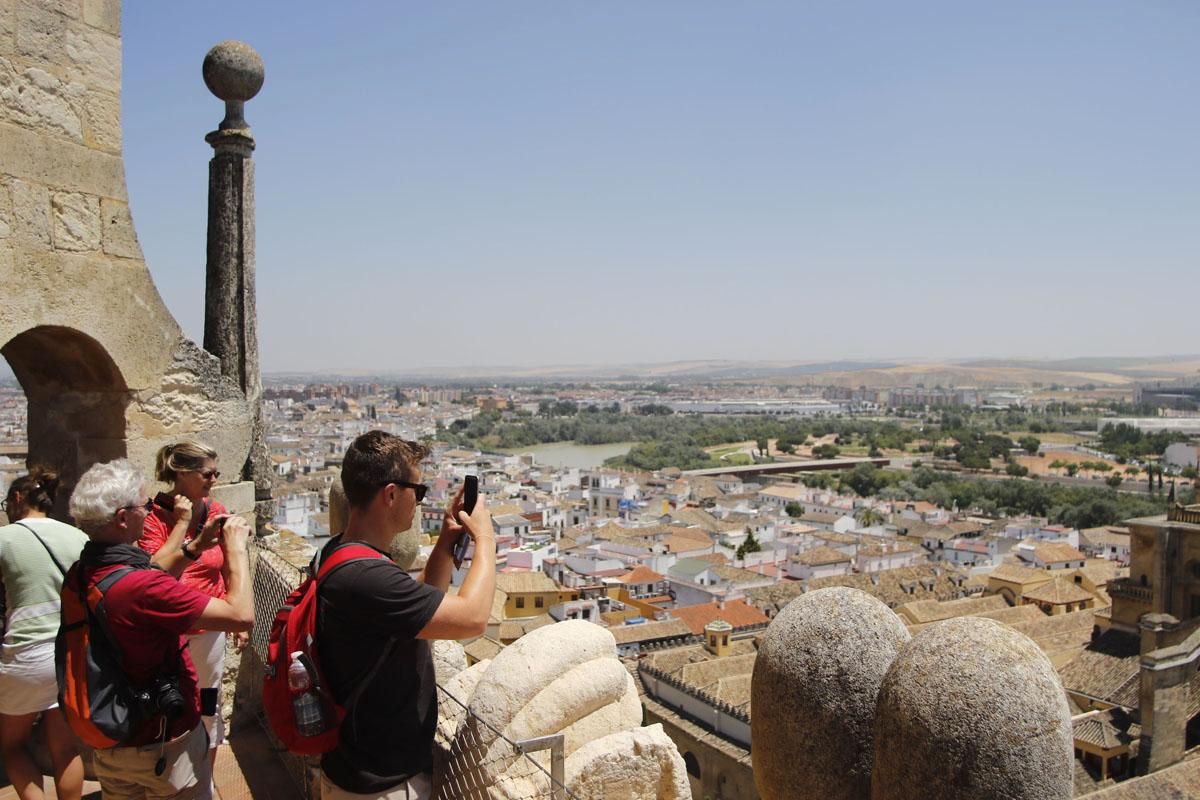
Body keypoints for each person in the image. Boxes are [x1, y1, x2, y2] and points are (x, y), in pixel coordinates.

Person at [317, 431, 497, 800]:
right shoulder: (367, 579)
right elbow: (474, 617)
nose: (420, 500)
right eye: (418, 491)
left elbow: (419, 606)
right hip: (380, 783)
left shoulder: (339, 555)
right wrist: (488, 541)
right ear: (391, 494)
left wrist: (447, 542)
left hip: (351, 765)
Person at [67, 459, 254, 799]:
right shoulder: (141, 588)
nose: (150, 509)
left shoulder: (81, 572)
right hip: (161, 743)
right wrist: (236, 547)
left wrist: (194, 548)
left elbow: (147, 579)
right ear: (123, 518)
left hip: (113, 738)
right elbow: (240, 615)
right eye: (144, 505)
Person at [139, 441, 244, 771]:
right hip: (168, 630)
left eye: (216, 473)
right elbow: (155, 572)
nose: (214, 480)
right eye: (207, 473)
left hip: (208, 627)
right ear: (182, 474)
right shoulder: (154, 518)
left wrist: (234, 616)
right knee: (170, 703)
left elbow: (229, 566)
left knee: (208, 703)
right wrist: (183, 524)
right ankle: (172, 773)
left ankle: (204, 777)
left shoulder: (216, 511)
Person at [0, 468, 86, 800]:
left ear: (18, 499)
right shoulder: (76, 536)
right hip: (70, 653)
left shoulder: (5, 539)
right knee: (65, 748)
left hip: (25, 654)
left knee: (12, 745)